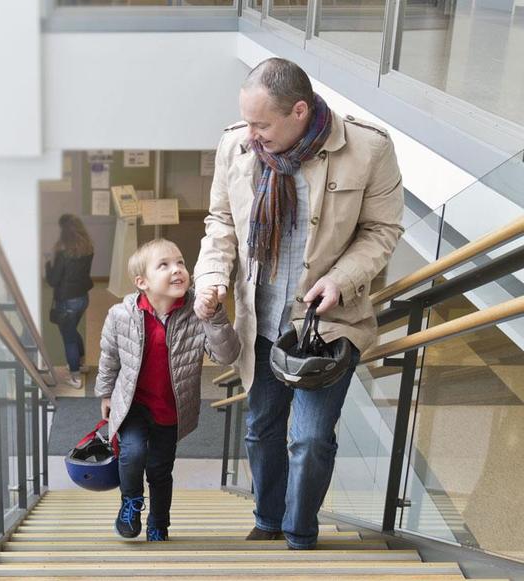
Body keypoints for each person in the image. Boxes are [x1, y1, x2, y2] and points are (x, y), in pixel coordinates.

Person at [193, 58, 404, 550]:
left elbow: (382, 231)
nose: (250, 134)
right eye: (247, 121)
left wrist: (341, 278)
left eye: (262, 124)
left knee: (309, 438)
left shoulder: (369, 149)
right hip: (260, 322)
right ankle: (267, 518)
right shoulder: (236, 146)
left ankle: (299, 532)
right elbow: (220, 221)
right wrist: (212, 277)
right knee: (262, 427)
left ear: (300, 112)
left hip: (328, 325)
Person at [95, 239, 240, 541]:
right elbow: (109, 357)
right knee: (132, 453)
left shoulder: (196, 311)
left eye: (180, 263)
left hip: (171, 407)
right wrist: (106, 393)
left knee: (160, 470)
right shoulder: (121, 315)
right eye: (164, 265)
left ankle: (159, 523)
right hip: (133, 403)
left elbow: (227, 355)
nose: (177, 270)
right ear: (142, 282)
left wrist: (213, 315)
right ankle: (131, 502)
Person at [45, 214, 95, 388]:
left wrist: (47, 264)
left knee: (68, 338)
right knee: (73, 330)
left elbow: (53, 280)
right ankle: (80, 364)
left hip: (67, 301)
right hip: (83, 298)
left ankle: (75, 377)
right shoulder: (88, 248)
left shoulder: (63, 252)